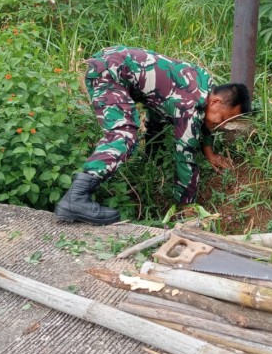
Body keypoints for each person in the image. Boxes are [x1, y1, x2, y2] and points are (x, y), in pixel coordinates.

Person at [55, 46, 251, 225]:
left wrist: (210, 153)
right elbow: (185, 156)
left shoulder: (205, 84)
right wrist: (187, 205)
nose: (221, 124)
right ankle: (77, 197)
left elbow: (205, 121)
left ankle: (149, 159)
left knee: (159, 116)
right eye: (223, 118)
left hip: (114, 65)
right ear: (216, 102)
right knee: (124, 134)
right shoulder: (189, 106)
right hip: (110, 74)